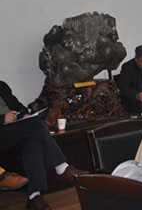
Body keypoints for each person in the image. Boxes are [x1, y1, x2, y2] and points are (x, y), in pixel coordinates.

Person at [0, 80, 87, 210]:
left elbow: (19, 107)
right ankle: (61, 168)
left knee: (32, 142)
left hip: (13, 132)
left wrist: (24, 115)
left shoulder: (2, 86)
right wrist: (2, 118)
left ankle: (34, 196)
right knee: (36, 125)